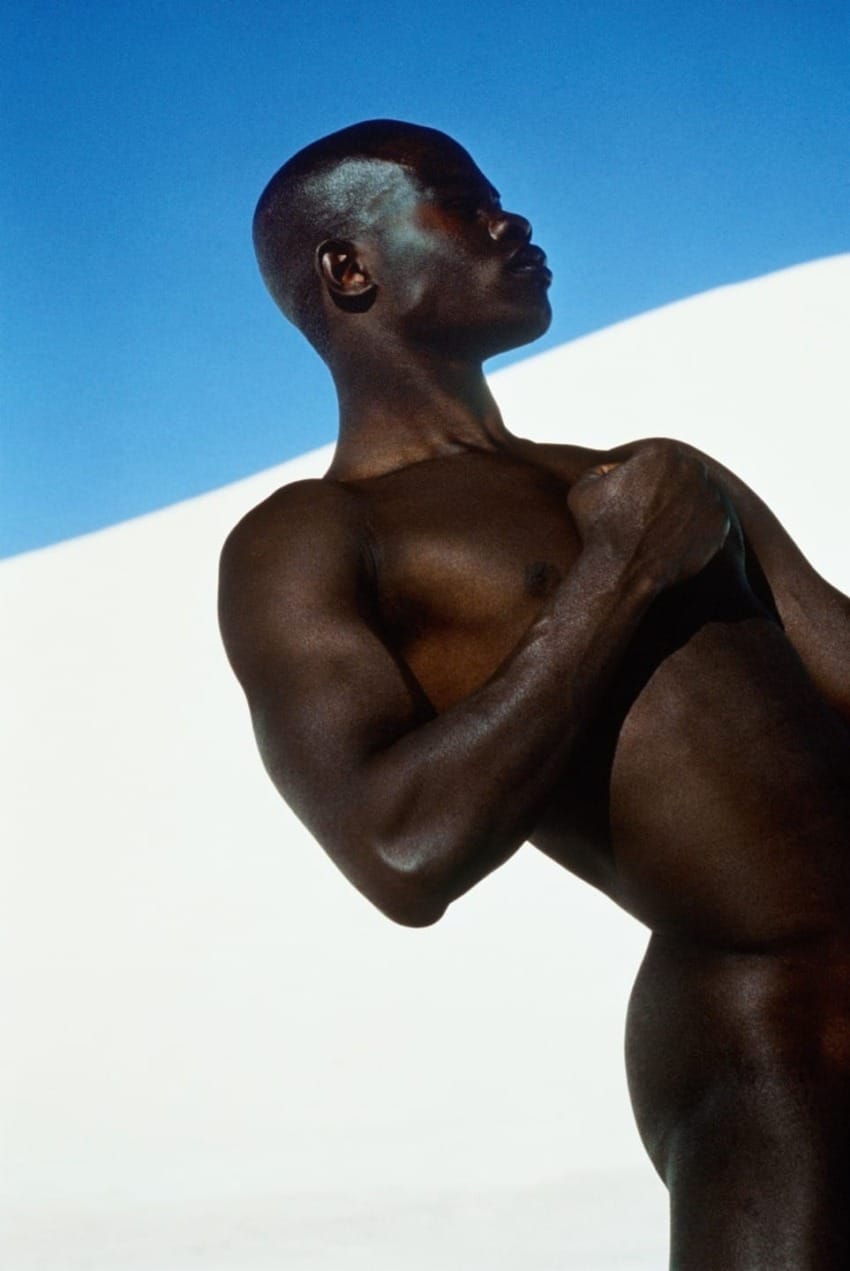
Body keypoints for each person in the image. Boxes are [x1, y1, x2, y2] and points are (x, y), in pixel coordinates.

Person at [219, 120, 850, 1268]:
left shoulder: (663, 474)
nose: (511, 221)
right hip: (775, 1038)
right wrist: (618, 573)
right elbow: (401, 852)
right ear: (347, 269)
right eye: (459, 201)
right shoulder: (313, 538)